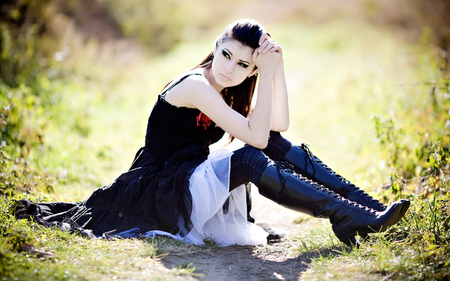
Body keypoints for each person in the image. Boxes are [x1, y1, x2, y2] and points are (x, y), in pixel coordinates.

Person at [16, 19, 410, 247]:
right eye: (226, 54)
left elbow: (277, 127)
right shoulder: (196, 86)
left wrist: (277, 68)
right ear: (216, 45)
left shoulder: (232, 85)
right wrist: (266, 72)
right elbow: (254, 141)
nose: (229, 68)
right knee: (250, 155)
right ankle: (345, 216)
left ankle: (363, 209)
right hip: (161, 187)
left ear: (250, 70)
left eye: (243, 65)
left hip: (189, 177)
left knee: (270, 142)